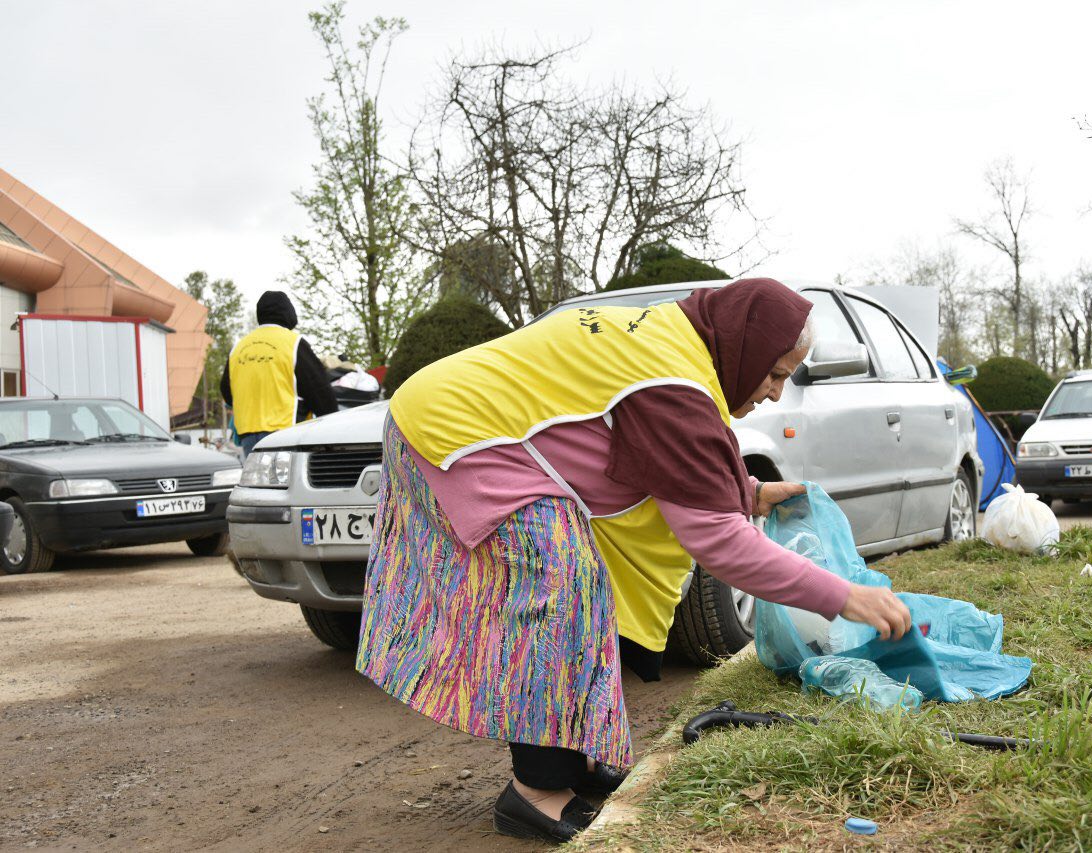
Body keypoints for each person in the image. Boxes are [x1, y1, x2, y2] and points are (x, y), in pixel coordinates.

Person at [356, 278, 912, 843]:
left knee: (584, 587)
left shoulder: (679, 347)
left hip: (465, 418)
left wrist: (746, 492)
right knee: (560, 587)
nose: (773, 393)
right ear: (742, 347)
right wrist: (845, 596)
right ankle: (536, 793)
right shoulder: (674, 381)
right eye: (774, 373)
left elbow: (661, 458)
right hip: (456, 430)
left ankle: (575, 757)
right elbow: (719, 542)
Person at [220, 291, 338, 455]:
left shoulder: (238, 348)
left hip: (248, 436)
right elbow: (320, 391)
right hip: (286, 434)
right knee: (286, 481)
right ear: (289, 314)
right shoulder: (293, 343)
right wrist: (333, 426)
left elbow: (227, 392)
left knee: (258, 481)